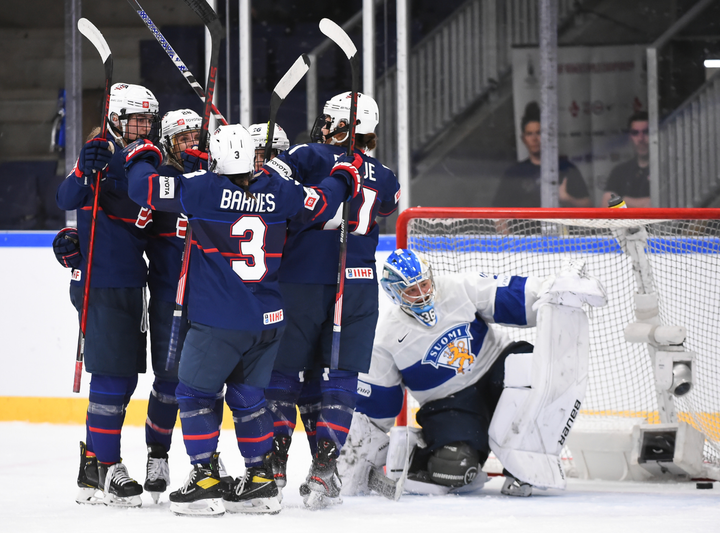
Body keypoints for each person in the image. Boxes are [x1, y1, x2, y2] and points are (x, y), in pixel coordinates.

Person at [124, 123, 363, 516]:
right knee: (249, 397)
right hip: (267, 320)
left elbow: (145, 189)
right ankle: (260, 482)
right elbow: (321, 203)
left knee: (194, 394)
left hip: (219, 319)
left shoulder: (202, 189)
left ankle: (203, 479)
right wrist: (342, 176)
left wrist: (141, 156)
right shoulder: (279, 190)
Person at [336, 249, 607, 498]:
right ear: (394, 294)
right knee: (453, 467)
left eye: (424, 284)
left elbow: (510, 295)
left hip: (495, 367)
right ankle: (415, 454)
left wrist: (552, 292)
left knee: (535, 369)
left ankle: (525, 466)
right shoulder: (385, 340)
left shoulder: (457, 288)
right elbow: (377, 409)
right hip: (451, 403)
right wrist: (356, 454)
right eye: (411, 290)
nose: (422, 294)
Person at [262, 92, 401, 509]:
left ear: (343, 125)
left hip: (302, 278)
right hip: (357, 282)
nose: (322, 126)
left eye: (329, 120)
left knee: (283, 371)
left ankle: (274, 461)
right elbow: (388, 207)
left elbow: (268, 181)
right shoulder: (388, 175)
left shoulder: (309, 154)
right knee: (341, 377)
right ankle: (325, 468)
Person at [55, 82, 159, 507]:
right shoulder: (99, 152)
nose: (144, 127)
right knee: (113, 377)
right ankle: (108, 467)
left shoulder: (145, 161)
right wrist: (83, 169)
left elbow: (140, 216)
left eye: (149, 121)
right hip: (100, 281)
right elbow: (66, 196)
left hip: (130, 280)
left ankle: (92, 464)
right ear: (116, 117)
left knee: (122, 377)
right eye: (137, 119)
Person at [139, 108, 209, 503]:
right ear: (168, 144)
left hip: (211, 298)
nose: (191, 144)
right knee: (168, 382)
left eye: (196, 137)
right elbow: (134, 229)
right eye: (183, 139)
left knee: (207, 386)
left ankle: (205, 465)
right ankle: (157, 455)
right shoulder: (160, 181)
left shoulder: (217, 178)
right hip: (168, 295)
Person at [493, 101, 590, 208]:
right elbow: (498, 213)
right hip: (525, 225)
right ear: (523, 139)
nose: (534, 139)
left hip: (560, 225)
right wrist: (502, 224)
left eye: (539, 133)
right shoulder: (514, 173)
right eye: (529, 134)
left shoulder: (566, 168)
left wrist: (566, 199)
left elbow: (588, 205)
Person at [602, 111, 650, 208]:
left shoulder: (665, 169)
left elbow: (659, 205)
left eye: (646, 132)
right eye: (635, 133)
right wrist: (643, 203)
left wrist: (624, 201)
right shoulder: (620, 171)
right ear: (630, 137)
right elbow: (605, 205)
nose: (641, 139)